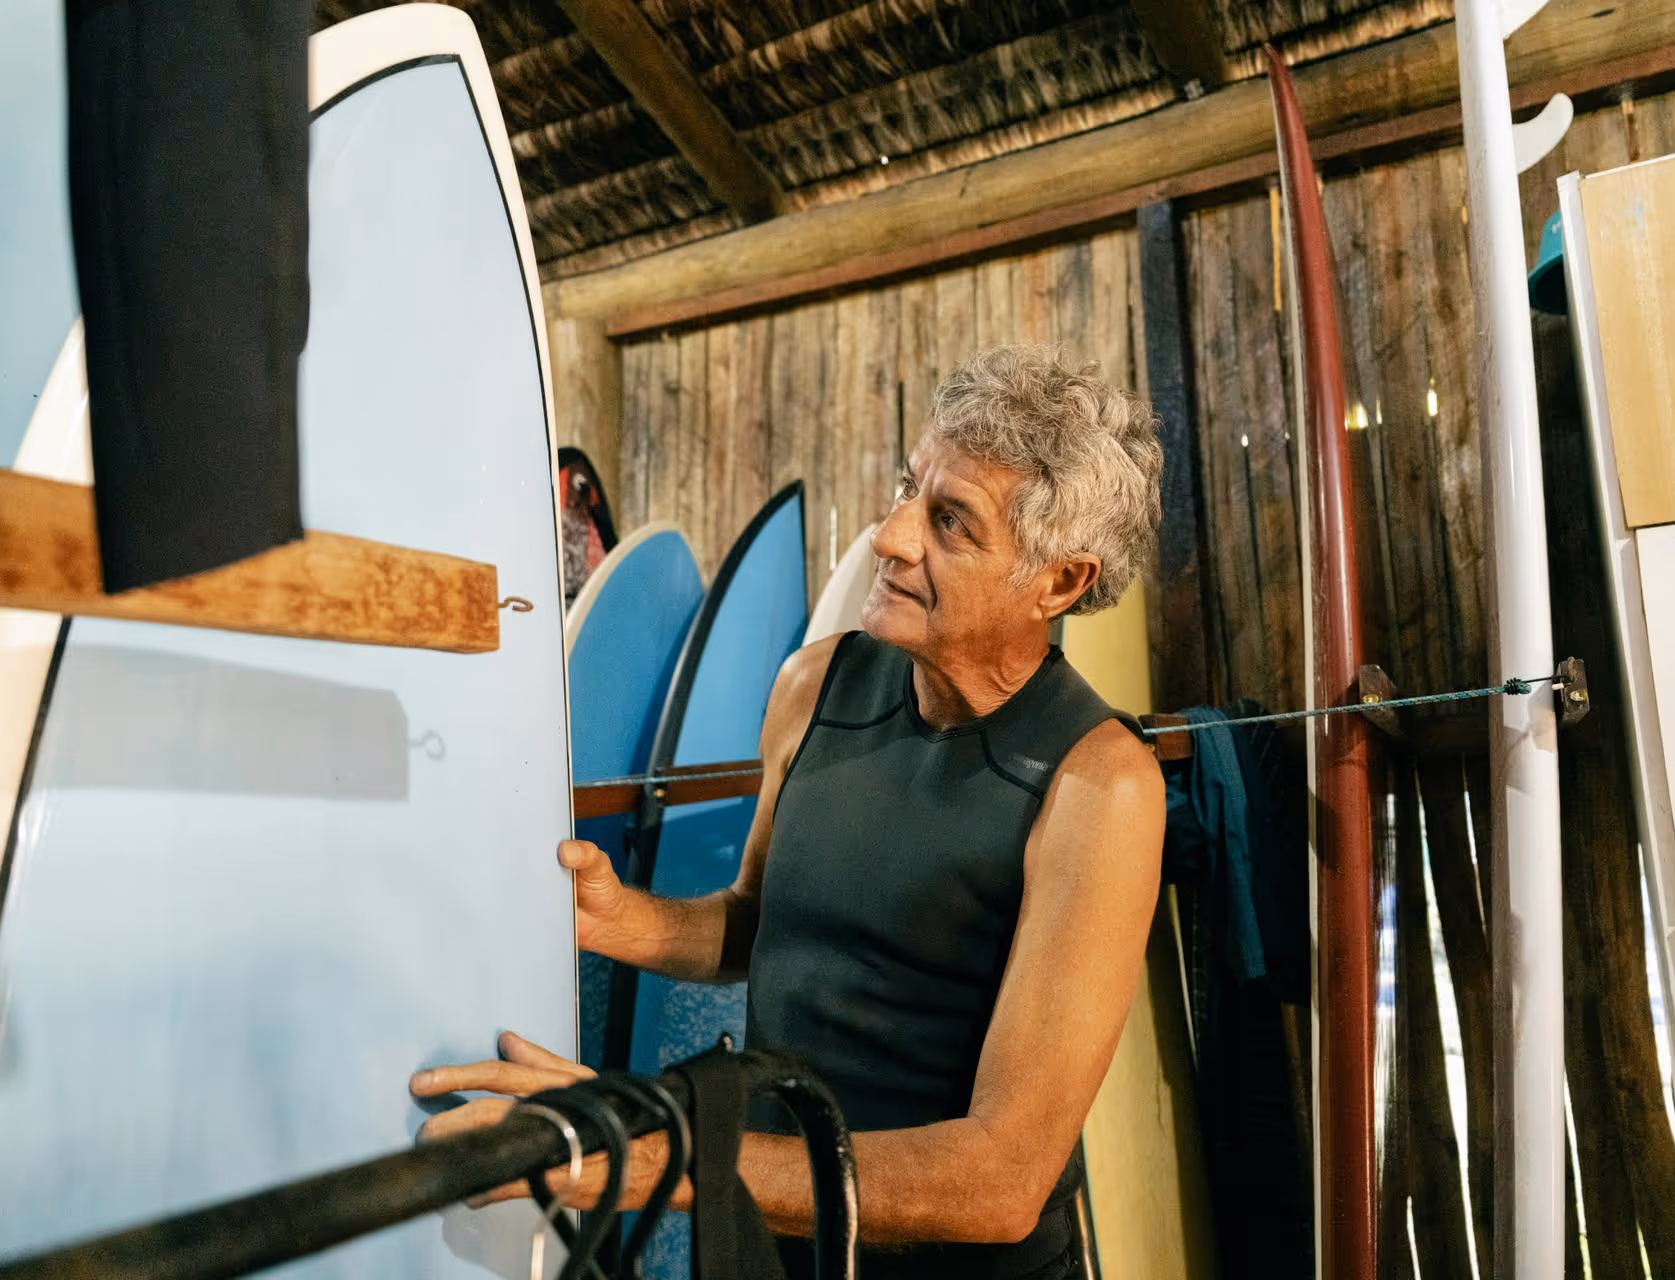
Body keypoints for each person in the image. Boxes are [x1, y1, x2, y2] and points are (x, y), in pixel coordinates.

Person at [411, 345, 1168, 1279]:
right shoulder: (816, 685)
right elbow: (760, 926)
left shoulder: (1100, 786)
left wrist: (650, 1149)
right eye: (907, 487)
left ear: (1058, 582)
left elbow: (999, 1181)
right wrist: (623, 921)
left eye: (950, 522)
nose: (891, 536)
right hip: (772, 1243)